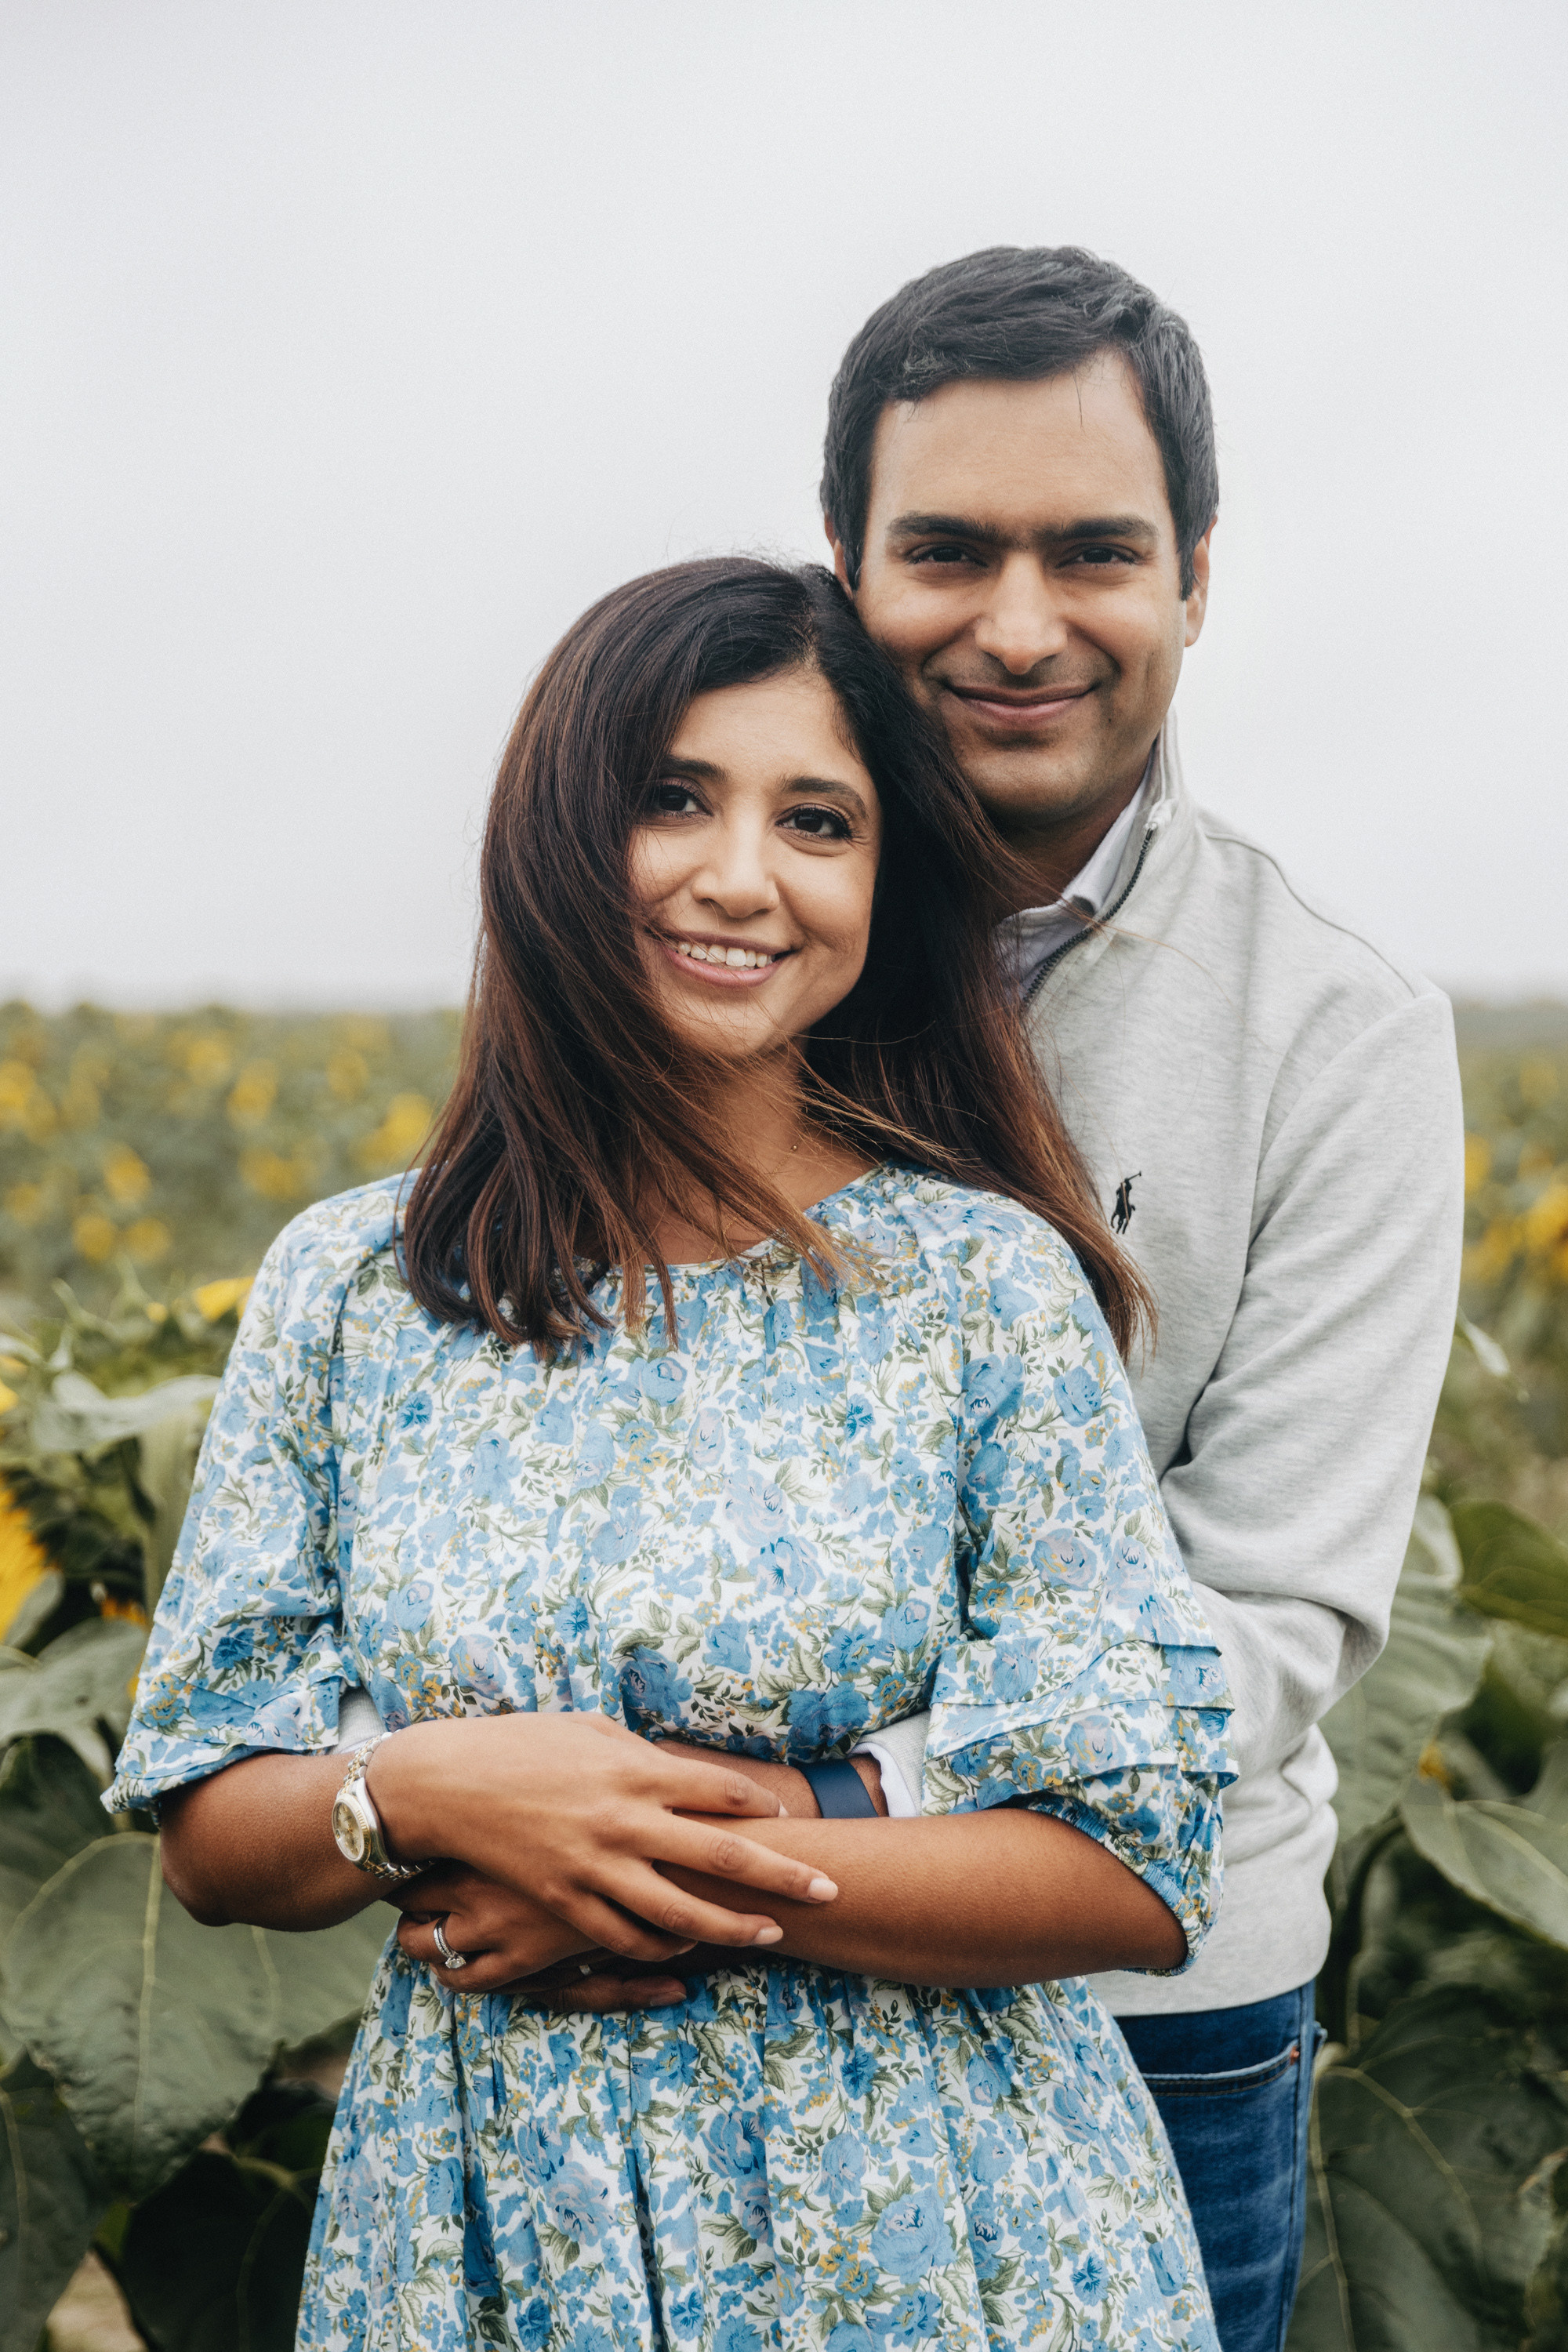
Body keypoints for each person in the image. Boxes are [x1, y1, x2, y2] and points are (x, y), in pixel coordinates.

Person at [111, 559, 1236, 2352]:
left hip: (947, 2245)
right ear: (559, 830)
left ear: (882, 882)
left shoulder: (980, 1290)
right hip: (486, 2241)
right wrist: (432, 1791)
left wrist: (628, 1866)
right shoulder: (352, 1289)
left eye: (817, 820)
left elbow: (1123, 1862)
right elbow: (210, 1823)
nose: (740, 876)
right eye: (673, 798)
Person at [543, 249, 1467, 2350]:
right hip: (678, 1980)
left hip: (1138, 2006)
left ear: (1199, 578)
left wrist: (778, 1824)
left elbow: (1271, 1625)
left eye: (1097, 553)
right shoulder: (710, 940)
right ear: (844, 569)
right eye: (948, 550)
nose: (1022, 625)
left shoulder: (1336, 1031)